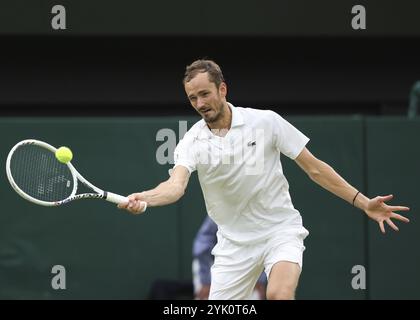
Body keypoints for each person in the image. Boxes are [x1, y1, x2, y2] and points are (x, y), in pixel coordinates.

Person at [119, 59, 410, 300]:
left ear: (222, 89)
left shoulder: (266, 122)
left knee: (279, 296)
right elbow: (175, 186)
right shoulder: (191, 141)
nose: (199, 103)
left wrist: (362, 202)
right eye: (193, 98)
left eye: (205, 94)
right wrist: (145, 197)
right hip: (233, 246)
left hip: (279, 231)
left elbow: (315, 168)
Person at [192, 216, 266, 300]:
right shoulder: (219, 210)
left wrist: (259, 278)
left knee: (254, 296)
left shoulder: (260, 213)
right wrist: (206, 281)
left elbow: (264, 244)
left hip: (250, 263)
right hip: (211, 265)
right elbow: (202, 246)